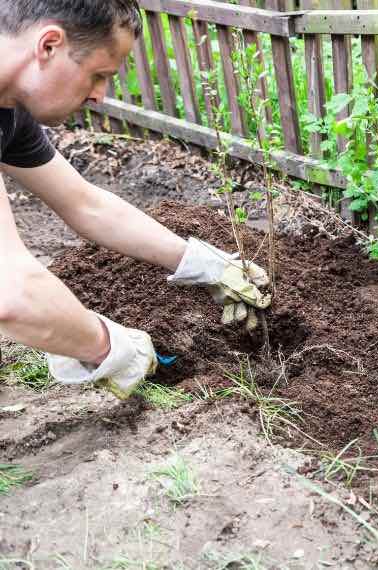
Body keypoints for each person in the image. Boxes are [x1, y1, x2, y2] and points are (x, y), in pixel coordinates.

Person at [0, 0, 270, 399]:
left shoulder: (8, 110)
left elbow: (83, 203)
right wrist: (109, 346)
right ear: (49, 45)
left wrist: (204, 264)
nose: (100, 96)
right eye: (98, 75)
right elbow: (13, 292)